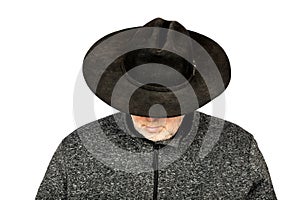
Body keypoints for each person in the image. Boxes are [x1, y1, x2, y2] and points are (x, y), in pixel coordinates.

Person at [35, 18, 277, 199]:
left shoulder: (238, 148)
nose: (151, 117)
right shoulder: (76, 150)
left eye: (165, 106)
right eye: (141, 103)